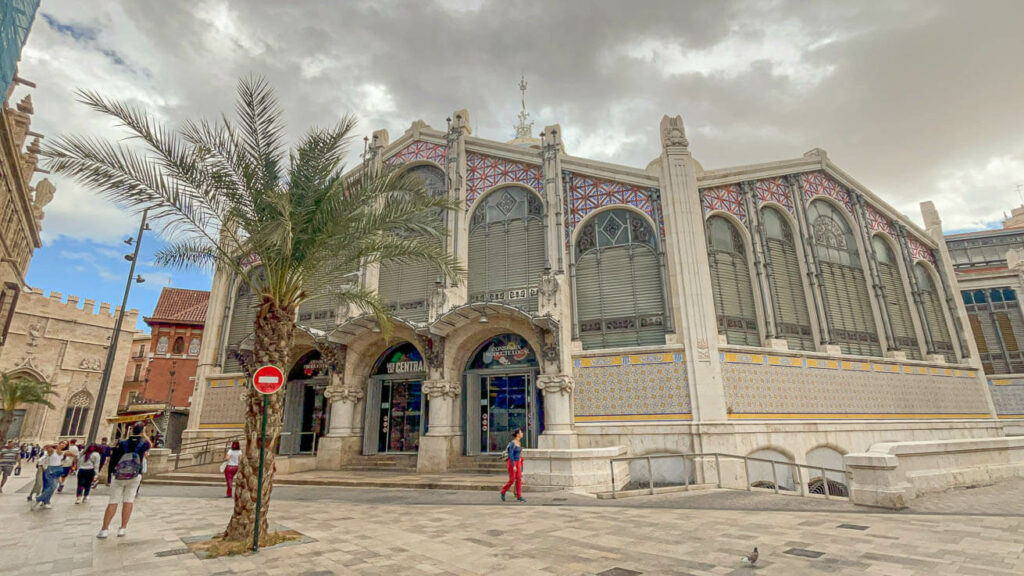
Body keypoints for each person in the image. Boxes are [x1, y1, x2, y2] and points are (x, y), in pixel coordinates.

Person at [97, 423, 150, 538]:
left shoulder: (121, 443)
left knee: (113, 501)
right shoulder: (144, 443)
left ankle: (104, 530)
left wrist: (109, 477)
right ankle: (122, 528)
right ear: (142, 431)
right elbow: (148, 444)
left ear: (131, 431)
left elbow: (113, 460)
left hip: (119, 475)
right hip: (135, 475)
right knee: (128, 501)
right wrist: (143, 434)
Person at [32, 444, 66, 510]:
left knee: (49, 487)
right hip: (49, 470)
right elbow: (46, 447)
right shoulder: (51, 452)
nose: (62, 446)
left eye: (64, 445)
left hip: (56, 471)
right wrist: (54, 445)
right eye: (61, 444)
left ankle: (45, 501)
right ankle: (41, 499)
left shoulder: (61, 453)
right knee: (52, 487)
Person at [499, 428, 526, 503]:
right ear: (517, 434)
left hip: (518, 462)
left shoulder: (519, 443)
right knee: (512, 479)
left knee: (519, 479)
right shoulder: (512, 443)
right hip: (512, 462)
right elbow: (511, 454)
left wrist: (520, 460)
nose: (522, 433)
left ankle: (519, 496)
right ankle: (503, 491)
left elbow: (518, 453)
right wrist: (513, 465)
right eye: (521, 432)